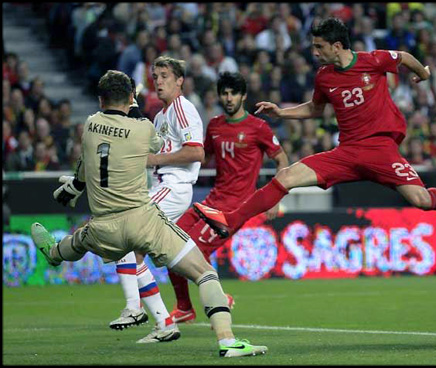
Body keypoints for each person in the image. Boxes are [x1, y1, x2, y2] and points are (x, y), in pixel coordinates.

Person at [30, 70, 267, 358]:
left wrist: (73, 189)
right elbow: (154, 145)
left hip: (104, 226)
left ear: (100, 99)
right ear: (131, 98)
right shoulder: (143, 127)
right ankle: (227, 341)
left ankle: (54, 254)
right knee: (205, 273)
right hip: (143, 221)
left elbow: (85, 165)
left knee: (78, 241)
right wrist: (135, 111)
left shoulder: (90, 125)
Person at [193, 17, 436, 240]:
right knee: (286, 175)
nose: (315, 52)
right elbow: (314, 108)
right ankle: (230, 221)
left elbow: (406, 58)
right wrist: (282, 112)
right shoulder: (324, 77)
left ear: (337, 46)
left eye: (319, 46)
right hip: (346, 153)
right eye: (313, 46)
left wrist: (422, 75)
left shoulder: (373, 61)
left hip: (380, 150)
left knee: (421, 200)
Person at [168, 72, 289, 323]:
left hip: (235, 207)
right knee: (170, 243)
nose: (229, 97)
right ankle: (184, 307)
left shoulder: (258, 127)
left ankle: (218, 299)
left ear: (243, 96)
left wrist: (275, 199)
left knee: (192, 252)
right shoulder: (214, 125)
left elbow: (282, 160)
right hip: (211, 200)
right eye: (225, 93)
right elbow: (201, 157)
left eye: (234, 93)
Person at [107, 56, 206, 340]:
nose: (159, 81)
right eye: (155, 76)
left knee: (126, 237)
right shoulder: (162, 115)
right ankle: (164, 324)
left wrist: (155, 158)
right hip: (163, 186)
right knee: (136, 251)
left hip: (174, 186)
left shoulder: (182, 109)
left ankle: (134, 307)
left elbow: (196, 152)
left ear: (179, 81)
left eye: (165, 76)